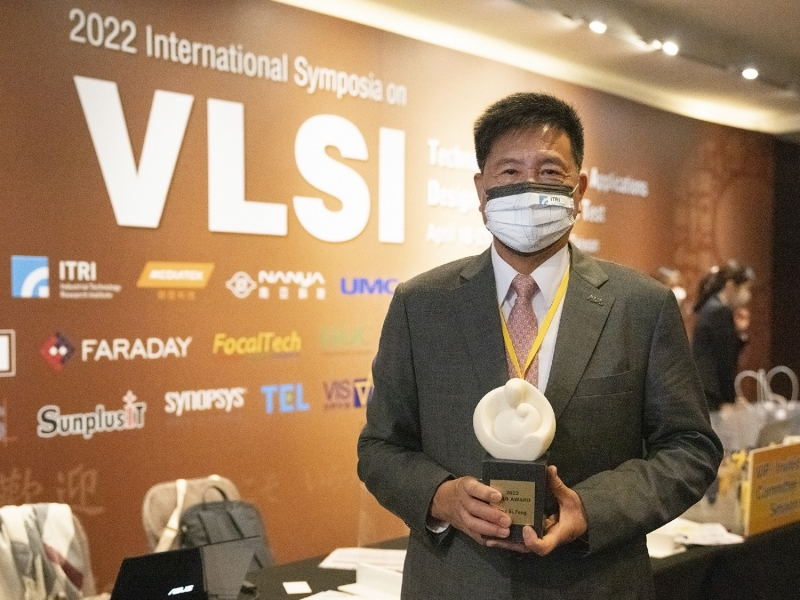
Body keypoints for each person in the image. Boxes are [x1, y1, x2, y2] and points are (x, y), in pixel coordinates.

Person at [357, 92, 722, 600]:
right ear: (481, 190)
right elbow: (380, 447)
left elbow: (690, 448)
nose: (528, 187)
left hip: (595, 584)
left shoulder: (642, 306)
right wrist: (441, 497)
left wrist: (592, 509)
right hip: (456, 583)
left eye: (549, 171)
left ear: (580, 189)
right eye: (510, 171)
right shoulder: (420, 305)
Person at [691, 261, 755, 411]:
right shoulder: (719, 311)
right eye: (746, 288)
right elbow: (724, 359)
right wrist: (729, 399)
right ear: (731, 286)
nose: (748, 295)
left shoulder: (712, 307)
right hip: (712, 391)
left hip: (706, 389)